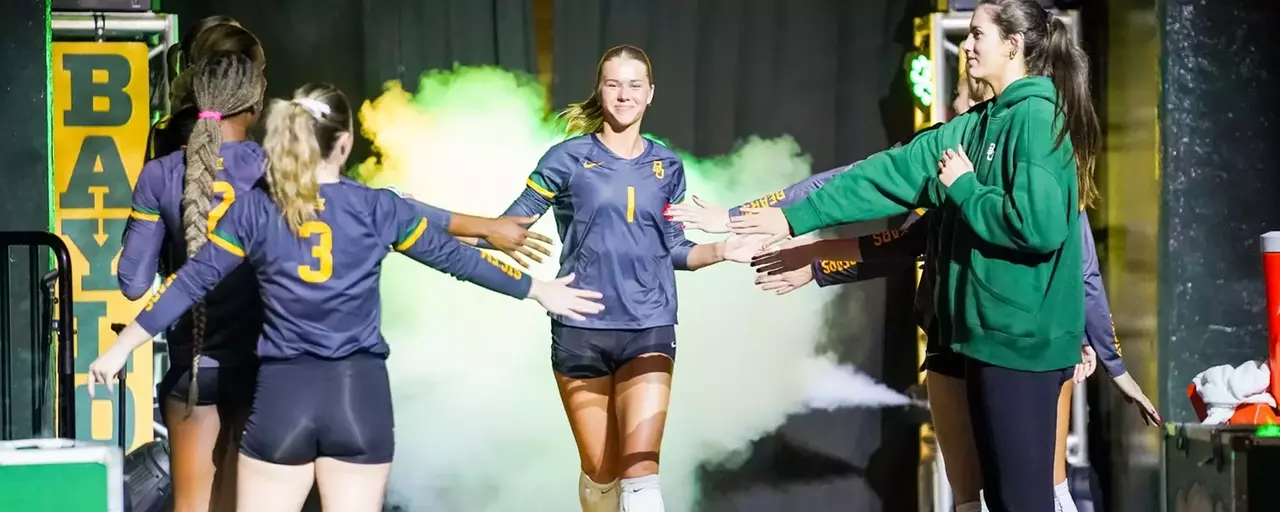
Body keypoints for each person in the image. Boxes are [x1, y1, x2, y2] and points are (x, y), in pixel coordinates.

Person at [98, 82, 606, 512]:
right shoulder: (378, 208)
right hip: (358, 399)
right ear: (344, 144)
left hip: (283, 399)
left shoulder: (255, 211)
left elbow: (190, 282)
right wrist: (537, 290)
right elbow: (457, 259)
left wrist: (123, 347)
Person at [727, 0, 1100, 508]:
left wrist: (966, 188)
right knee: (993, 499)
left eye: (977, 35)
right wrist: (787, 217)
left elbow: (1037, 227)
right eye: (966, 34)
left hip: (1021, 344)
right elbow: (887, 172)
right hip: (983, 343)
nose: (966, 46)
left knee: (1023, 501)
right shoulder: (980, 122)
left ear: (1013, 46)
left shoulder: (1036, 116)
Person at [491, 44, 762, 512]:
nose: (624, 94)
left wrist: (722, 249)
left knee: (641, 474)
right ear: (600, 90)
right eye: (613, 84)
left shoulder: (667, 165)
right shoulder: (565, 159)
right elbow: (506, 227)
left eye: (634, 85)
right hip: (580, 330)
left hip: (649, 327)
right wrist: (429, 226)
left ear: (650, 94)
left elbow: (674, 248)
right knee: (602, 473)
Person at [120, 50, 267, 512]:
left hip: (195, 371)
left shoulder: (159, 174)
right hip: (269, 369)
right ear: (254, 107)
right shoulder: (277, 169)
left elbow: (132, 283)